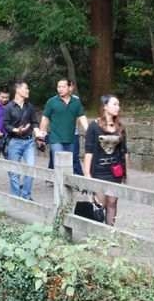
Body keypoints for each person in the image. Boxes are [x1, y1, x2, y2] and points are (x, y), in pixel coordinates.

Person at [82, 95, 128, 225]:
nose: (117, 107)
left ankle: (110, 230)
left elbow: (124, 151)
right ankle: (97, 230)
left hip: (115, 171)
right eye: (114, 104)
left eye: (118, 104)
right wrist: (87, 174)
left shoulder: (120, 127)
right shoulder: (94, 126)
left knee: (112, 203)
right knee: (100, 203)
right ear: (105, 107)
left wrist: (125, 173)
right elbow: (89, 151)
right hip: (99, 170)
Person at [38, 78, 88, 172]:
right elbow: (45, 119)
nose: (60, 89)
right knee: (59, 163)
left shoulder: (76, 102)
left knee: (70, 164)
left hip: (70, 139)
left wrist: (88, 130)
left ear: (69, 87)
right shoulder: (52, 101)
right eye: (59, 87)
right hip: (56, 139)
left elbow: (82, 117)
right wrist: (41, 136)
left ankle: (66, 181)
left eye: (63, 87)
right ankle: (58, 181)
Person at [3, 79, 39, 200]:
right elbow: (5, 124)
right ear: (18, 90)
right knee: (14, 171)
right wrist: (15, 130)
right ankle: (15, 196)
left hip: (29, 142)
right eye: (26, 88)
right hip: (14, 142)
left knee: (31, 168)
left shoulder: (30, 107)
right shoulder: (8, 107)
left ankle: (25, 195)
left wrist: (38, 132)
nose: (28, 90)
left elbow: (34, 122)